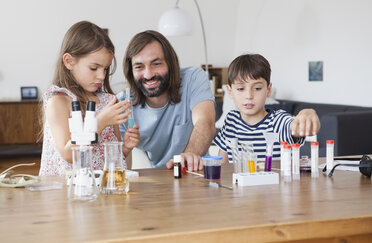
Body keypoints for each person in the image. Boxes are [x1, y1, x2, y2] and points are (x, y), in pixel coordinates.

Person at [39, 21, 139, 176]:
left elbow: (112, 159)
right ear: (69, 61)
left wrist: (125, 148)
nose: (102, 76)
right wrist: (99, 123)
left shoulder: (108, 101)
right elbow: (68, 154)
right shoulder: (59, 101)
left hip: (103, 190)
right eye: (94, 68)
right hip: (67, 192)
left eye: (105, 69)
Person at [118, 30, 215, 171]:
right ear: (131, 71)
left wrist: (189, 155)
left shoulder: (193, 78)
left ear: (170, 63)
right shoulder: (123, 105)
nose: (148, 74)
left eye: (156, 64)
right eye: (139, 67)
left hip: (195, 172)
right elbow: (122, 165)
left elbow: (206, 122)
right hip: (158, 179)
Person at [214, 54, 320, 162]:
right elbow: (222, 165)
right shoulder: (231, 121)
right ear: (230, 91)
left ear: (268, 90)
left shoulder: (277, 121)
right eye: (241, 88)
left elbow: (295, 127)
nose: (249, 96)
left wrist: (307, 113)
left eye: (257, 88)